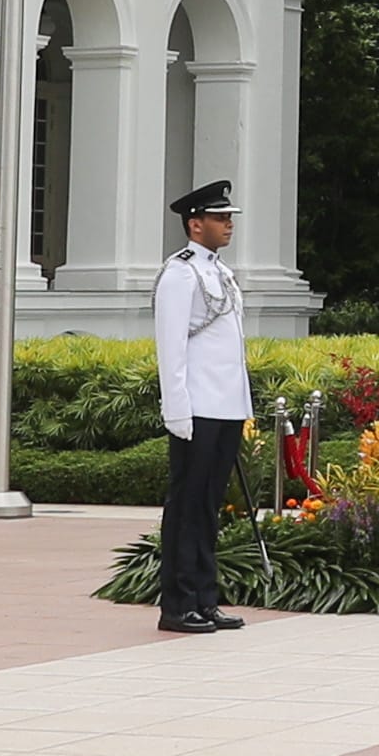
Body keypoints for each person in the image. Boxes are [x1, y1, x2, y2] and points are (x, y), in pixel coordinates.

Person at [147, 183, 250, 637]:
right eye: (220, 217)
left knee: (209, 506)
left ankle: (205, 598)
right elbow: (171, 349)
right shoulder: (180, 274)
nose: (229, 224)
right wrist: (177, 410)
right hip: (197, 408)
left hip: (224, 404)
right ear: (195, 224)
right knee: (187, 504)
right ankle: (178, 603)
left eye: (229, 217)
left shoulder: (220, 272)